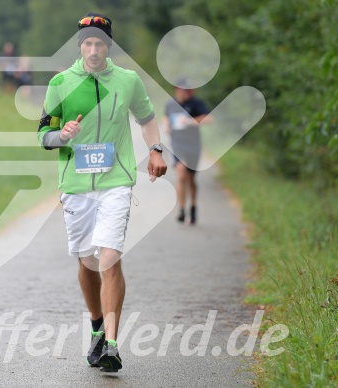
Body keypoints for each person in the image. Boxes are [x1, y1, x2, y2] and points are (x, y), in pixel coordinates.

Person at [37, 12, 167, 372]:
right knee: (87, 261)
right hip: (76, 185)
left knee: (109, 257)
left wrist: (156, 150)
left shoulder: (127, 81)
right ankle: (96, 325)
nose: (93, 50)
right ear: (79, 46)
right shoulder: (61, 82)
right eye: (87, 43)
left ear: (109, 47)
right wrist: (61, 136)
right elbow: (42, 134)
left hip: (115, 181)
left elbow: (147, 118)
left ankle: (111, 344)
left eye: (100, 43)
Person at [163, 78, 212, 225]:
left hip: (193, 145)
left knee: (191, 179)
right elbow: (166, 117)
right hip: (177, 144)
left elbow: (209, 119)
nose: (189, 93)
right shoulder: (170, 104)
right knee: (181, 173)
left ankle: (193, 206)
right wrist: (166, 125)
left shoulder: (196, 104)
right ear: (177, 89)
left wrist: (191, 121)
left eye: (191, 90)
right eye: (186, 90)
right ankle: (182, 210)